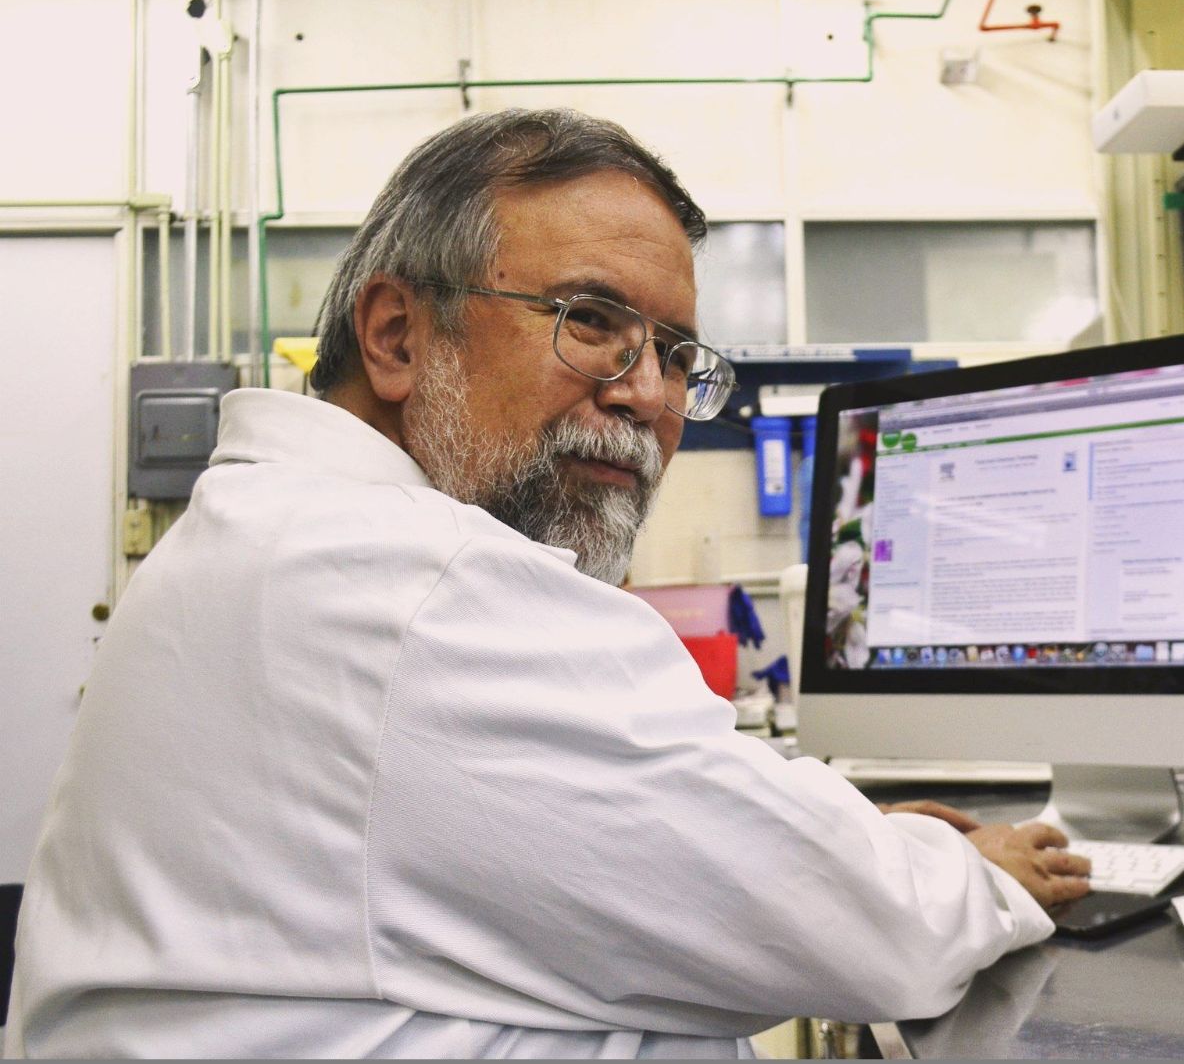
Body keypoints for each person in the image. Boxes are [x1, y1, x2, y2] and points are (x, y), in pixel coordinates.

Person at [3, 108, 1089, 1058]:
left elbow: (700, 845)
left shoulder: (283, 536)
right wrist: (976, 868)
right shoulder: (416, 585)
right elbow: (863, 928)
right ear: (397, 336)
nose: (648, 394)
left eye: (675, 352)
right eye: (590, 321)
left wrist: (832, 838)